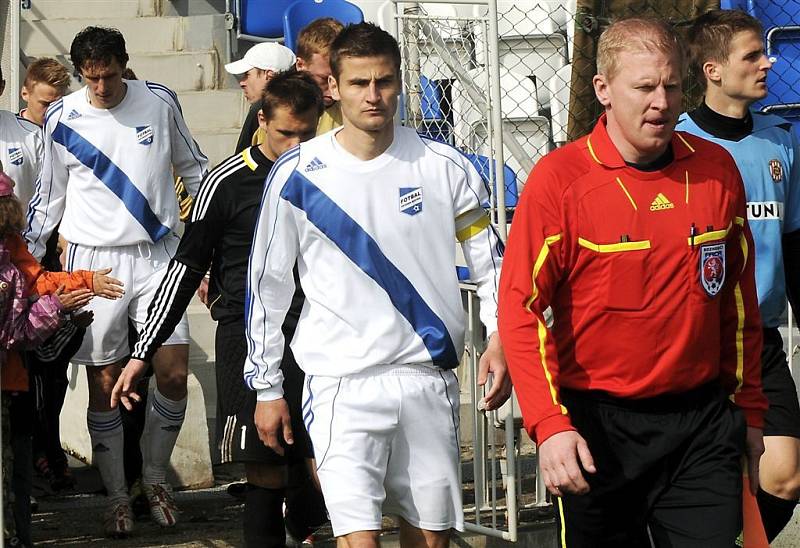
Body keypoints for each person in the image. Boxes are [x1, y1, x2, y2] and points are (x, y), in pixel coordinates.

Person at [498, 17, 767, 547]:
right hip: (598, 428)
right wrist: (549, 424)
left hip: (700, 423)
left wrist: (750, 410)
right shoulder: (560, 181)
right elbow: (519, 308)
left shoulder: (716, 171)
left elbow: (738, 304)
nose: (661, 102)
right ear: (603, 89)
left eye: (671, 86)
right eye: (644, 87)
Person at [242, 22, 511, 547]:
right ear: (332, 88)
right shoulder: (297, 174)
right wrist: (268, 388)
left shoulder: (445, 166)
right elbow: (267, 288)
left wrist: (500, 335)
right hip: (340, 382)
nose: (373, 95)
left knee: (430, 540)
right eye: (360, 82)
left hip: (424, 378)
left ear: (399, 83)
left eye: (384, 82)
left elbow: (492, 265)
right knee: (357, 539)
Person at [112, 70, 325, 547]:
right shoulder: (224, 183)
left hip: (320, 331)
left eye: (306, 134)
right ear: (261, 120)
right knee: (265, 466)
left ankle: (306, 521)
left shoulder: (330, 174)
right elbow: (187, 268)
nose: (295, 146)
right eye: (284, 133)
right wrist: (143, 349)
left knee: (321, 464)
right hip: (245, 333)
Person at [23, 26, 208, 537]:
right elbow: (48, 199)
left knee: (171, 372)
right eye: (90, 78)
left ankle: (155, 480)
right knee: (104, 380)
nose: (100, 87)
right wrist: (33, 267)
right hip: (95, 263)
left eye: (108, 75)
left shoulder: (160, 101)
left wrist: (205, 248)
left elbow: (196, 170)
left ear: (124, 64)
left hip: (160, 255)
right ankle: (117, 496)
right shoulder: (61, 117)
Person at [677, 9, 800, 542]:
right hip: (695, 341)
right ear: (713, 70)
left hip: (760, 338)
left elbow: (794, 243)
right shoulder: (676, 144)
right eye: (752, 55)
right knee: (707, 481)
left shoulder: (781, 141)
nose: (767, 62)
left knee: (786, 477)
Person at [0, 167, 124, 547]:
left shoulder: (9, 249)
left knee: (17, 476)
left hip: (14, 384)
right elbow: (12, 334)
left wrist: (86, 281)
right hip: (7, 382)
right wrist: (56, 308)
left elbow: (38, 278)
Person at [228, 42, 297, 154]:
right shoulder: (311, 103)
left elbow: (242, 160)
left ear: (269, 76)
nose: (242, 83)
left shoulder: (260, 108)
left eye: (247, 74)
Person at [0, 66, 43, 210]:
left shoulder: (33, 135)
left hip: (23, 231)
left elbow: (49, 197)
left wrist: (31, 233)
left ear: (2, 87)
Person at [295, 17, 345, 134]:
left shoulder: (354, 109)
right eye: (324, 79)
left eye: (340, 79)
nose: (334, 88)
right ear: (300, 65)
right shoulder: (275, 106)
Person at [20, 58, 71, 127]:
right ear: (25, 94)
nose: (51, 110)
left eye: (57, 104)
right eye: (45, 104)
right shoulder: (6, 129)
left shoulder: (71, 132)